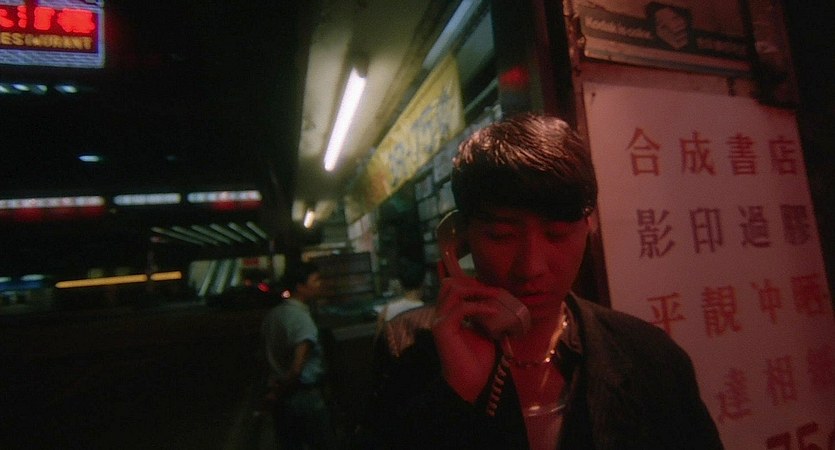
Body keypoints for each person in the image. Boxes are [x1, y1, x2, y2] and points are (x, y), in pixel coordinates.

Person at [354, 113, 723, 449]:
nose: (531, 268)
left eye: (557, 234)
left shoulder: (651, 357)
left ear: (588, 226)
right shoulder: (406, 348)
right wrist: (454, 396)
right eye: (501, 236)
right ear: (459, 239)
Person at [261, 261, 336, 450]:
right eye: (315, 280)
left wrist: (274, 393)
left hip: (281, 399)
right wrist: (276, 393)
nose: (320, 284)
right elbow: (297, 369)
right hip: (304, 397)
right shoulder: (301, 319)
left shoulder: (273, 315)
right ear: (300, 286)